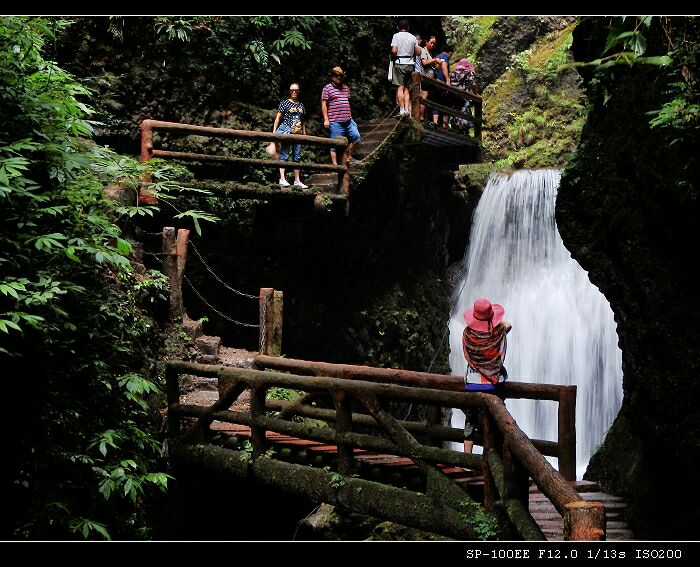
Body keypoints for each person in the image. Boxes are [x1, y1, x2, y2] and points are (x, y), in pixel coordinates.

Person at [462, 298, 512, 453]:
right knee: (495, 420)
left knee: (470, 420)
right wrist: (495, 321)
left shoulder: (467, 334)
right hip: (494, 384)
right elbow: (508, 325)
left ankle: (466, 459)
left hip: (473, 383)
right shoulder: (498, 332)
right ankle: (493, 457)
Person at [321, 66, 361, 166]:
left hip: (348, 120)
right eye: (337, 75)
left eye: (341, 76)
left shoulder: (345, 88)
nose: (339, 77)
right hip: (335, 120)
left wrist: (351, 117)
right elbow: (324, 104)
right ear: (332, 76)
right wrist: (326, 119)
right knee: (334, 144)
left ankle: (348, 157)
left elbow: (347, 103)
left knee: (356, 137)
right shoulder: (327, 88)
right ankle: (335, 165)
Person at [272, 82, 308, 190]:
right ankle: (282, 178)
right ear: (289, 91)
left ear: (299, 92)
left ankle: (297, 180)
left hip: (297, 133)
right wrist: (274, 132)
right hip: (287, 132)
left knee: (296, 157)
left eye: (296, 90)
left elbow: (302, 120)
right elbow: (278, 118)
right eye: (292, 90)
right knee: (284, 154)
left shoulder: (301, 105)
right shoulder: (285, 103)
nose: (294, 92)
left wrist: (304, 133)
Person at [390, 19, 421, 117]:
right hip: (410, 64)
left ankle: (402, 110)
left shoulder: (396, 36)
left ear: (398, 28)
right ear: (408, 28)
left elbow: (394, 51)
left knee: (400, 87)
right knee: (407, 89)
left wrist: (392, 55)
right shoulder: (412, 37)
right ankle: (407, 110)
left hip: (399, 63)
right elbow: (418, 52)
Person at [448, 58, 481, 134]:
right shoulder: (468, 73)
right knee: (465, 112)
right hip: (464, 96)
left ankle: (456, 129)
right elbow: (473, 84)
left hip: (454, 96)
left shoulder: (453, 73)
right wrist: (475, 94)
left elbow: (451, 84)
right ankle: (464, 130)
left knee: (456, 111)